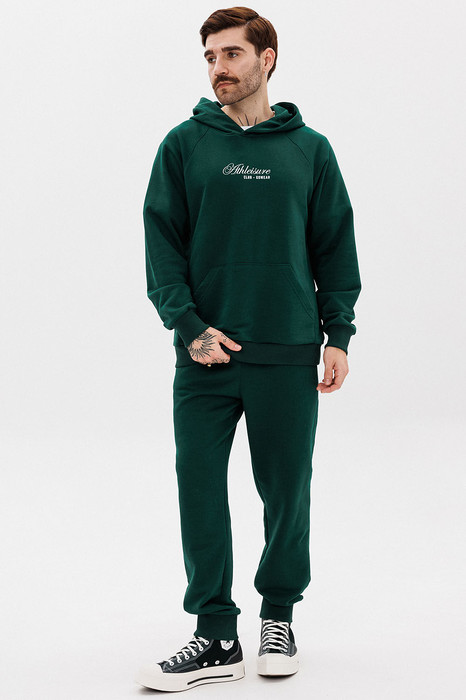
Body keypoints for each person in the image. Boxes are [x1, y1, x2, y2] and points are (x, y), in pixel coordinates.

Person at [136, 6, 362, 693]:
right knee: (200, 492)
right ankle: (214, 634)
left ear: (267, 59)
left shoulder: (309, 149)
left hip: (287, 350)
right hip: (204, 356)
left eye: (231, 53)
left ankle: (278, 618)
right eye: (210, 56)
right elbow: (161, 244)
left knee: (287, 493)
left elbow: (334, 245)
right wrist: (188, 326)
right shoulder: (184, 145)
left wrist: (338, 333)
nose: (218, 68)